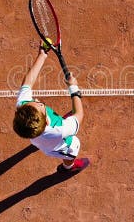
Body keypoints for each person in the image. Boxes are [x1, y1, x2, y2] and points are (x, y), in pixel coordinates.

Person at [12, 40, 88, 172]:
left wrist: (42, 55)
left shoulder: (23, 107)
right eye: (40, 104)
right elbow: (79, 115)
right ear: (47, 121)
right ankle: (68, 167)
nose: (36, 100)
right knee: (71, 152)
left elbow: (27, 84)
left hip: (39, 140)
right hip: (60, 146)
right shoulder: (59, 130)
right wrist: (73, 88)